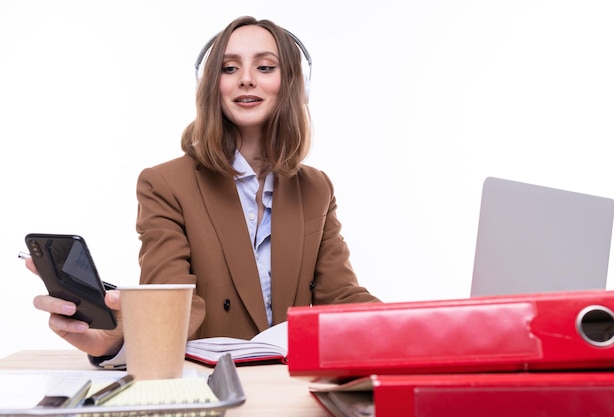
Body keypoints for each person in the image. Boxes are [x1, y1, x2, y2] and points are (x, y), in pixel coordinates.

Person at [27, 16, 380, 363]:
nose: (245, 80)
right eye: (229, 69)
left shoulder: (316, 187)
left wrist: (420, 325)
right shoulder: (164, 184)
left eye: (265, 67)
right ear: (209, 86)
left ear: (296, 86)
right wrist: (112, 339)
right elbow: (171, 299)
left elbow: (340, 296)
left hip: (289, 382)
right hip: (209, 383)